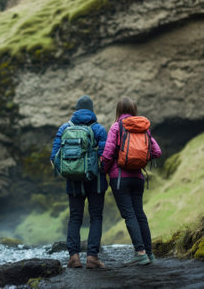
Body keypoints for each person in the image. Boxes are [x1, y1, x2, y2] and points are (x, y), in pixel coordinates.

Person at [101, 97, 162, 265]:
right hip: (138, 178)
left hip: (120, 178)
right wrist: (139, 158)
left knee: (129, 215)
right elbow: (157, 152)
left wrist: (103, 172)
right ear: (134, 109)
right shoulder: (143, 128)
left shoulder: (116, 127)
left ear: (118, 111)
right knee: (140, 214)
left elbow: (107, 154)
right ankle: (149, 254)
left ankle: (140, 252)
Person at [50, 95, 108, 269]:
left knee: (75, 218)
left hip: (73, 182)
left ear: (76, 109)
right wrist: (100, 171)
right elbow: (105, 157)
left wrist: (70, 171)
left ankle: (74, 257)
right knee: (96, 217)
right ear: (91, 110)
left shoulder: (64, 128)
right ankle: (92, 257)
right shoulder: (98, 128)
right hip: (95, 182)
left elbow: (54, 157)